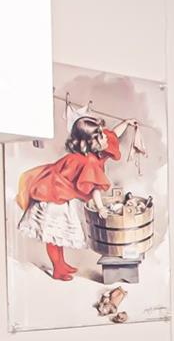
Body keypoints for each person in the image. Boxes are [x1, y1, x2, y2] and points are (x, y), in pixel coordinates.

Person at [15, 115, 120, 280]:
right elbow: (94, 188)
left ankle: (61, 263)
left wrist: (126, 124)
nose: (105, 137)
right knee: (53, 234)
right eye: (100, 136)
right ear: (86, 143)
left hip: (60, 194)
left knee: (58, 235)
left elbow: (113, 134)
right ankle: (57, 268)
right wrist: (100, 208)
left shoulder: (89, 154)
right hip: (54, 198)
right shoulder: (88, 161)